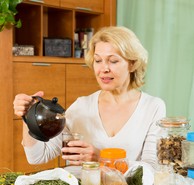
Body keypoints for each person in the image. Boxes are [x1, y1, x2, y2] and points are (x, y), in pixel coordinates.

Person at [13, 26, 166, 170]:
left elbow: (151, 169)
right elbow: (37, 157)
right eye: (98, 61)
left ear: (132, 64)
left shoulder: (153, 107)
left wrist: (101, 159)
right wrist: (29, 115)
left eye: (113, 61)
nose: (104, 69)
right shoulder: (81, 107)